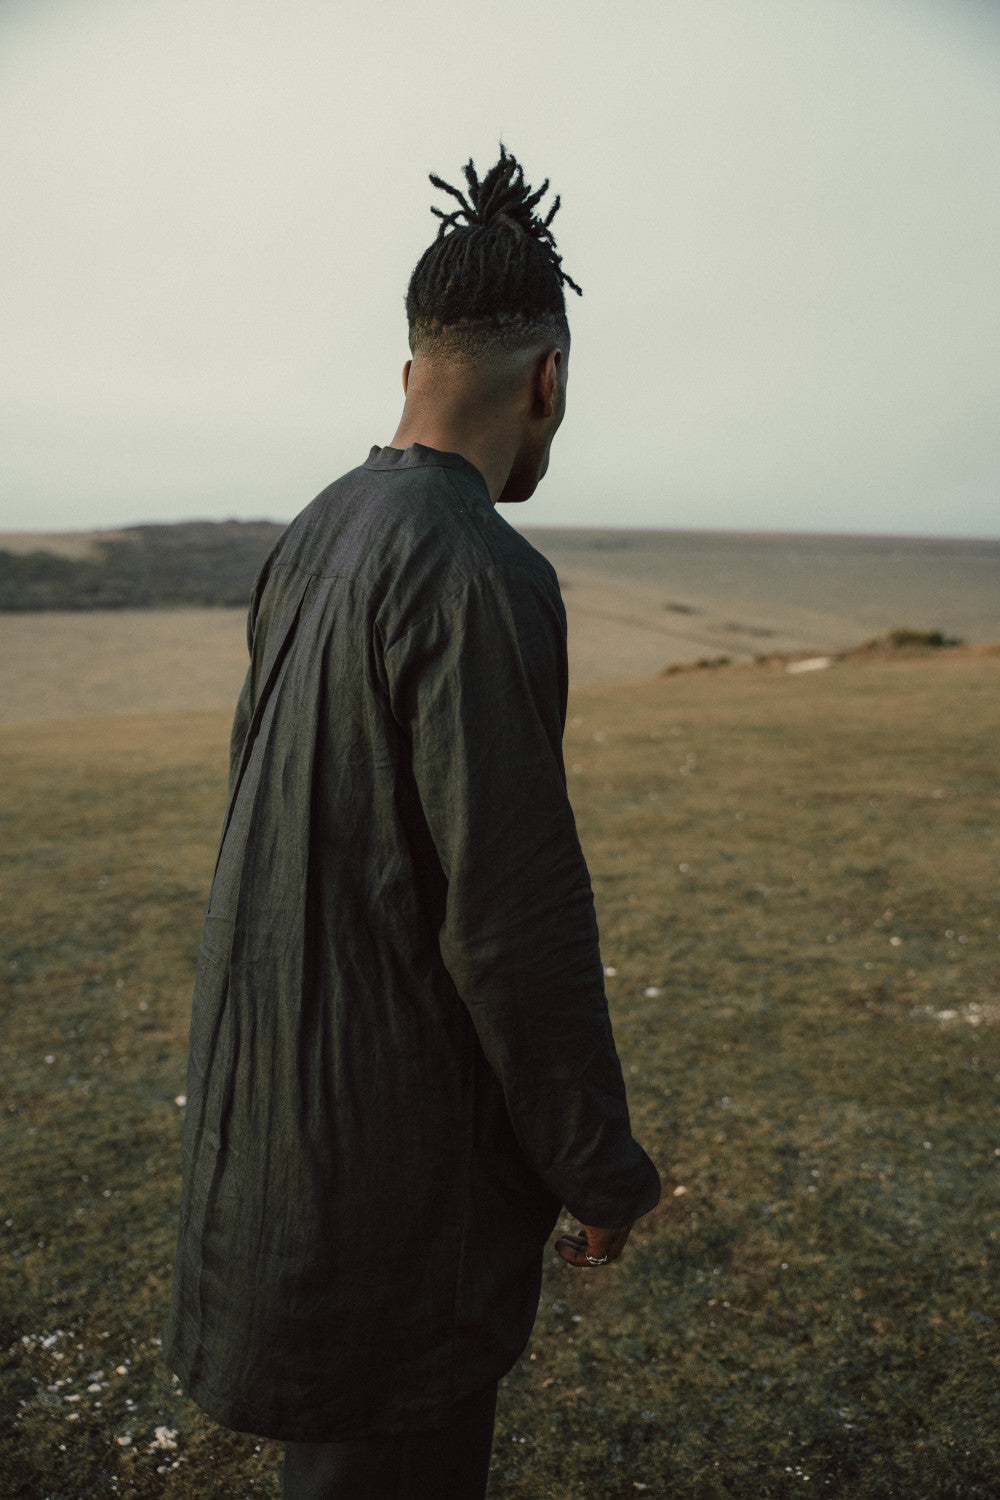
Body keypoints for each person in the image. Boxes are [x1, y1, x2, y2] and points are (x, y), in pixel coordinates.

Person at [163, 145, 660, 1500]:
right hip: (392, 1168)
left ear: (409, 369)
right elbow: (512, 918)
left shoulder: (321, 528)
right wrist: (598, 1166)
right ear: (547, 378)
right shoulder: (480, 569)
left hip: (279, 1128)